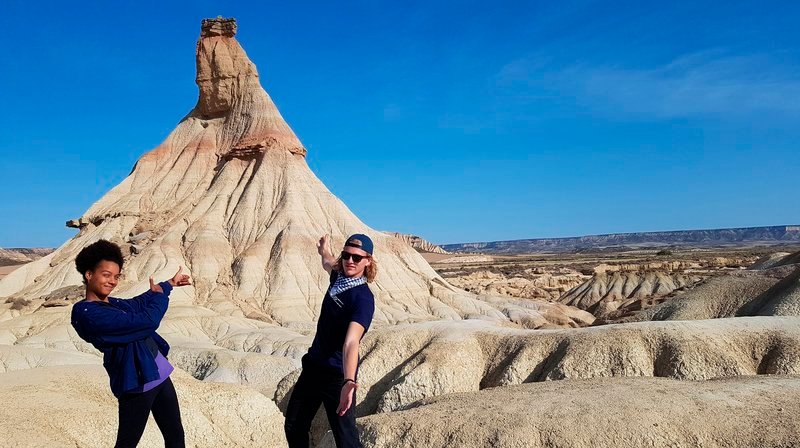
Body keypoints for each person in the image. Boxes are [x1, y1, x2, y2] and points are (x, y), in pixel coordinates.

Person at [70, 239, 191, 448]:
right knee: (127, 443)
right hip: (136, 381)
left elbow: (136, 303)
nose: (112, 281)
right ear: (89, 274)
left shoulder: (110, 303)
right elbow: (146, 321)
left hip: (159, 373)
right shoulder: (89, 313)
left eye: (116, 276)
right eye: (106, 275)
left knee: (175, 436)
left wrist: (168, 284)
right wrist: (161, 297)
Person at [284, 233, 377, 448]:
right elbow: (328, 261)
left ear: (368, 261)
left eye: (357, 258)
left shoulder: (362, 299)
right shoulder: (338, 277)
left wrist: (348, 381)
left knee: (346, 439)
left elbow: (352, 342)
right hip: (313, 368)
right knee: (294, 425)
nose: (350, 261)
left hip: (337, 377)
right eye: (346, 255)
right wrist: (323, 249)